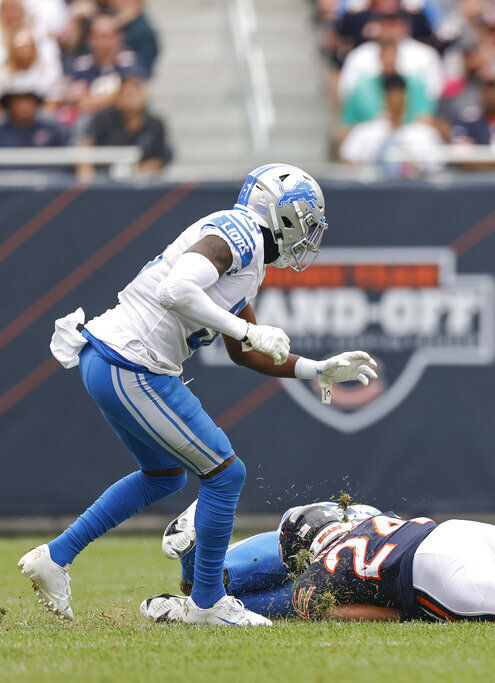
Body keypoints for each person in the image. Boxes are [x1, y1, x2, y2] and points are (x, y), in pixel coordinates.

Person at [18, 164, 380, 626]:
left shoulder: (248, 260)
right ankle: (208, 602)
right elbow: (176, 290)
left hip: (113, 358)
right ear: (280, 213)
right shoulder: (240, 232)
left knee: (165, 475)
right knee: (226, 474)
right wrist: (248, 327)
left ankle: (56, 557)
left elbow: (244, 352)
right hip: (132, 362)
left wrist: (317, 368)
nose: (309, 236)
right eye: (306, 222)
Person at [140, 387, 495, 624]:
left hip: (431, 569)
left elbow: (357, 612)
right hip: (450, 534)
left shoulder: (317, 574)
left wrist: (395, 611)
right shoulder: (366, 521)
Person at [77, 71, 170, 180]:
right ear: (118, 97)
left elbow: (160, 157)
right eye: (126, 94)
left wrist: (139, 173)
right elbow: (86, 143)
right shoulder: (104, 117)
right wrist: (86, 174)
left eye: (134, 93)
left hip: (141, 179)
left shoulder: (155, 123)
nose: (130, 99)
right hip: (103, 176)